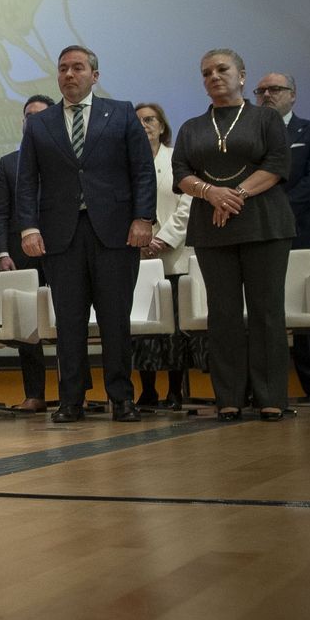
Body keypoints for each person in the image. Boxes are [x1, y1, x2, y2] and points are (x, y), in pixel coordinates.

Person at [18, 46, 155, 423]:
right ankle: (71, 401)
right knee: (69, 322)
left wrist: (143, 218)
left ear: (95, 75)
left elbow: (142, 170)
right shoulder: (41, 123)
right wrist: (29, 226)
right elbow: (27, 180)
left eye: (78, 68)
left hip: (115, 233)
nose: (69, 75)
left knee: (115, 320)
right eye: (63, 68)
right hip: (61, 235)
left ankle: (121, 399)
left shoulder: (122, 113)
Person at [174, 50, 295, 421]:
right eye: (206, 72)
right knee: (222, 314)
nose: (214, 76)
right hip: (212, 228)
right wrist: (211, 193)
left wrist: (236, 194)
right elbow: (180, 171)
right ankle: (229, 397)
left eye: (222, 69)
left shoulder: (265, 118)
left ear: (242, 76)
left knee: (266, 311)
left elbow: (276, 165)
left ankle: (271, 395)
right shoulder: (192, 127)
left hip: (264, 225)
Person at [256, 71, 310, 407]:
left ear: (293, 95)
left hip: (300, 231)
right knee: (261, 311)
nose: (267, 95)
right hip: (257, 234)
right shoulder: (251, 134)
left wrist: (276, 209)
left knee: (306, 314)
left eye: (275, 89)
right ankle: (260, 389)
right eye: (261, 90)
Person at [0, 94, 56, 412]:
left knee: (68, 321)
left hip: (63, 249)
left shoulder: (65, 157)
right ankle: (35, 394)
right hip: (22, 255)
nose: (32, 121)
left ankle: (75, 394)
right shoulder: (8, 162)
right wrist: (3, 252)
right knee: (28, 326)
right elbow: (0, 212)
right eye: (27, 116)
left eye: (39, 116)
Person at [133, 102, 194, 410]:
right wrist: (142, 242)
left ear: (161, 125)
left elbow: (188, 204)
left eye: (150, 119)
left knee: (175, 328)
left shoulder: (176, 159)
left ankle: (174, 390)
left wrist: (163, 240)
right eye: (139, 120)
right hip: (139, 258)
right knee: (143, 329)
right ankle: (147, 390)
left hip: (174, 255)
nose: (144, 125)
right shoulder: (125, 162)